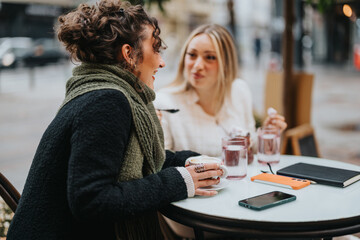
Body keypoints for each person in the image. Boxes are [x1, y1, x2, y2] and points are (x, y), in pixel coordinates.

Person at [6, 2, 224, 240]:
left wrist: (191, 161)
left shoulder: (102, 92)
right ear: (129, 54)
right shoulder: (106, 101)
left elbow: (147, 162)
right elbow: (92, 200)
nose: (161, 62)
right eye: (155, 48)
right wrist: (179, 181)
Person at [154, 24, 287, 158]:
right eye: (192, 55)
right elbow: (161, 163)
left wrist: (268, 135)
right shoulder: (165, 103)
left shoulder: (239, 90)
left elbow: (251, 149)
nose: (198, 65)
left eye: (210, 57)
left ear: (226, 63)